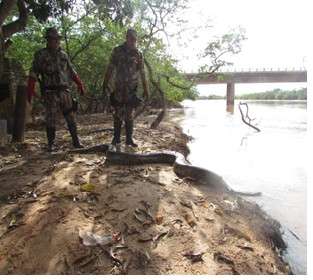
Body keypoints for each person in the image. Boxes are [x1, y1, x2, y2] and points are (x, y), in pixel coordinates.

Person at [27, 27, 85, 152]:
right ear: (48, 40)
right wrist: (30, 89)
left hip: (64, 91)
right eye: (52, 39)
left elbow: (71, 71)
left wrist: (80, 84)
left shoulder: (63, 54)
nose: (55, 42)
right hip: (50, 91)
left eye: (56, 39)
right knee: (51, 118)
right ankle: (51, 144)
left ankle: (76, 141)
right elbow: (33, 73)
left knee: (70, 116)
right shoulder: (41, 55)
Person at [102, 28, 149, 147]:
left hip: (131, 90)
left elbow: (142, 73)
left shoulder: (138, 54)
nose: (133, 41)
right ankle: (116, 139)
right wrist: (105, 84)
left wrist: (146, 89)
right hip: (118, 88)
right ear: (126, 38)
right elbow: (110, 68)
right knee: (117, 114)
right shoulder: (117, 51)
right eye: (131, 38)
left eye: (135, 39)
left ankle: (129, 140)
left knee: (129, 115)